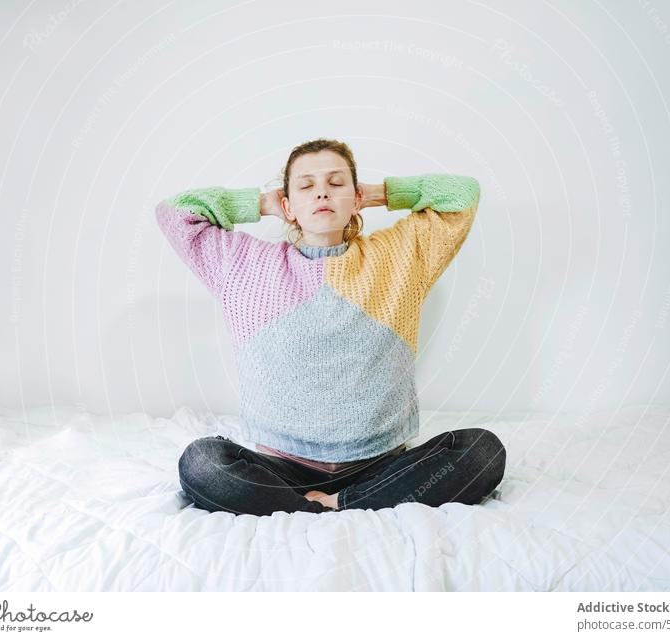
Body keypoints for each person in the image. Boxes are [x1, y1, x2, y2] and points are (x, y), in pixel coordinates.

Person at [155, 138, 506, 516]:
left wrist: (380, 194)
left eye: (336, 183)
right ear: (287, 205)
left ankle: (339, 503)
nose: (321, 191)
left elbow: (462, 194)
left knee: (483, 452)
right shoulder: (242, 263)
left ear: (356, 199)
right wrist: (261, 203)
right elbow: (174, 212)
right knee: (201, 463)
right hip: (284, 469)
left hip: (382, 465)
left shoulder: (402, 254)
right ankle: (324, 505)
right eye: (306, 185)